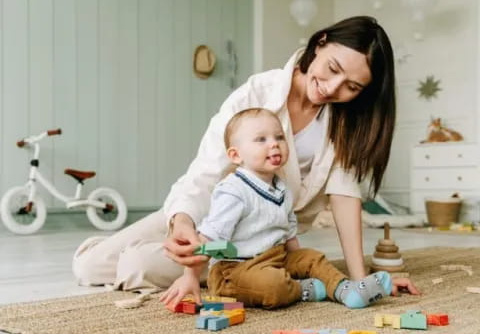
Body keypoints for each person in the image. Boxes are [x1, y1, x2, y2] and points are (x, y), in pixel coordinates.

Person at [72, 16, 420, 298]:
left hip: (259, 238)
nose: (332, 87)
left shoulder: (346, 124)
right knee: (89, 266)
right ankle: (186, 253)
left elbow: (345, 197)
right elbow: (206, 171)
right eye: (332, 68)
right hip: (212, 209)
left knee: (137, 266)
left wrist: (360, 279)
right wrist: (182, 223)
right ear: (321, 42)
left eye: (351, 87)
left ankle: (242, 270)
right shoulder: (258, 92)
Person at [160, 108, 396, 309]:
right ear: (236, 155)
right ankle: (302, 290)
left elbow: (288, 231)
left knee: (314, 258)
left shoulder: (281, 187)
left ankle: (347, 290)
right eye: (261, 139)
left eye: (279, 137)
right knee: (274, 286)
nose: (274, 144)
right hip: (235, 270)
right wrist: (189, 276)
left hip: (275, 256)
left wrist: (299, 263)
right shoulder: (233, 191)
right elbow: (209, 239)